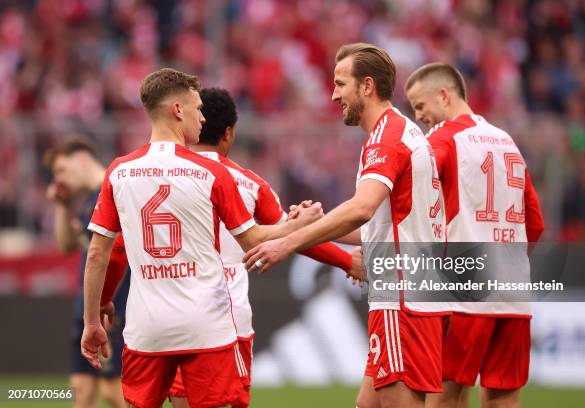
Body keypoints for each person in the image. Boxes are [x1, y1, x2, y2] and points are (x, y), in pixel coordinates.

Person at [79, 68, 322, 408]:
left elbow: (97, 255)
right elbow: (253, 240)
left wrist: (92, 321)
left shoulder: (119, 170)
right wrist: (298, 224)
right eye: (197, 108)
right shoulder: (213, 171)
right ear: (178, 111)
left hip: (147, 327)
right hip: (206, 325)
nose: (202, 117)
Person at [243, 43, 448, 408]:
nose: (335, 94)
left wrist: (286, 244)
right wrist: (314, 222)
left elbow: (362, 209)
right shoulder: (401, 131)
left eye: (341, 84)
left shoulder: (386, 137)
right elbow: (386, 219)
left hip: (403, 297)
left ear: (366, 86)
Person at [404, 63, 545, 408]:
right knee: (504, 393)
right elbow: (535, 222)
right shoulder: (507, 140)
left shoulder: (444, 138)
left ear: (444, 95)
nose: (419, 117)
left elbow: (410, 191)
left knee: (446, 391)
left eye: (420, 106)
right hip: (512, 289)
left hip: (465, 286)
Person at [44, 139, 128, 408]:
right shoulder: (88, 201)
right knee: (81, 390)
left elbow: (113, 257)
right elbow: (66, 245)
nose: (59, 179)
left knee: (114, 392)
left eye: (61, 170)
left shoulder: (114, 193)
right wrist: (61, 205)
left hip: (110, 307)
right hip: (87, 308)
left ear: (81, 160)